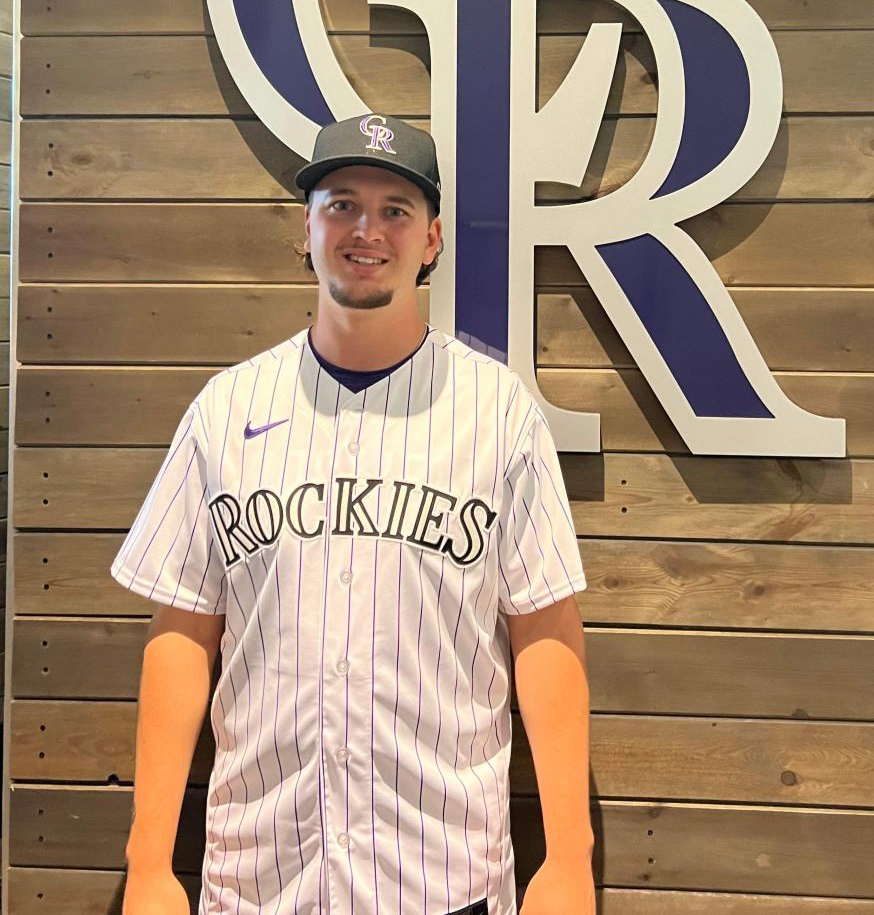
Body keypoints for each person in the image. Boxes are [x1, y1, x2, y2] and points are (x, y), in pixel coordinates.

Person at [111, 113, 595, 915]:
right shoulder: (226, 409)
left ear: (431, 239)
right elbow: (184, 631)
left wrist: (570, 858)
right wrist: (151, 861)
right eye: (341, 204)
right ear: (306, 228)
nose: (366, 229)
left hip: (445, 879)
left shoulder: (498, 413)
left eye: (395, 210)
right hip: (261, 879)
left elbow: (544, 630)